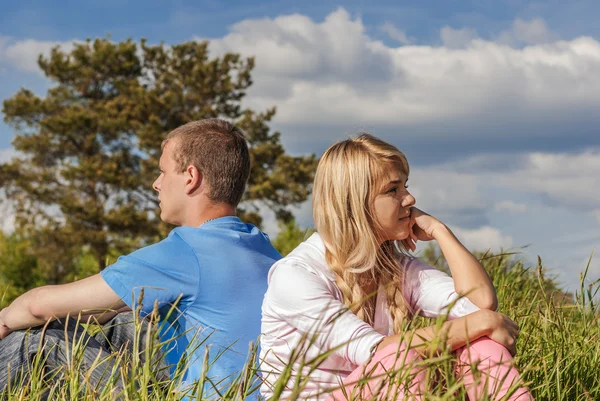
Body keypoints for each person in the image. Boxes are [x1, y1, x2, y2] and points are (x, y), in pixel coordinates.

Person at [0, 119, 281, 398]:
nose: (156, 184)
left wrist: (4, 319)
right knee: (121, 326)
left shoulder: (186, 250)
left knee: (40, 336)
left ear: (191, 178)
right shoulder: (263, 247)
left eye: (162, 172)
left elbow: (37, 307)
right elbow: (108, 312)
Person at [259, 133, 533, 401]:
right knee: (399, 360)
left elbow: (480, 304)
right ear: (356, 203)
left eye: (405, 186)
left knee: (483, 346)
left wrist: (441, 232)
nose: (410, 199)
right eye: (393, 190)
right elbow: (374, 350)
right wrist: (482, 321)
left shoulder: (396, 267)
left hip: (371, 389)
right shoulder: (296, 275)